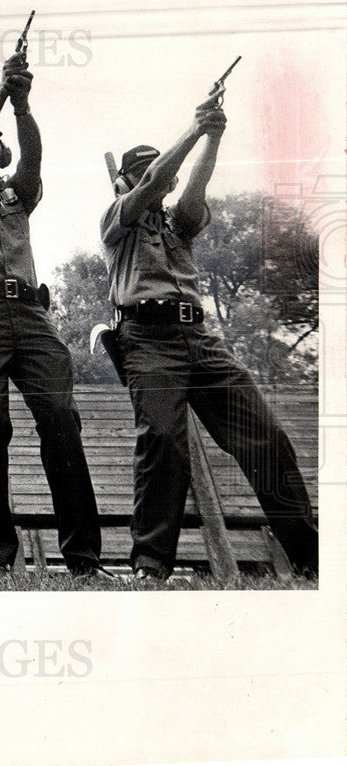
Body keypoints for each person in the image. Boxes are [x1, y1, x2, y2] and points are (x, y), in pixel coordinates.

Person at [100, 89, 319, 580]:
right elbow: (157, 180)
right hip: (146, 339)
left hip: (198, 338)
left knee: (265, 434)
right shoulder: (118, 217)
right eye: (145, 172)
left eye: (158, 170)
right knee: (163, 441)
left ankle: (310, 556)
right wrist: (195, 128)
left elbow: (191, 193)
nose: (159, 177)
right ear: (125, 181)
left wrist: (213, 139)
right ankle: (151, 564)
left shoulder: (178, 223)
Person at [0, 54, 109, 578]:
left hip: (31, 314)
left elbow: (31, 158)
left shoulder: (17, 194)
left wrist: (23, 104)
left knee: (61, 422)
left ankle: (84, 557)